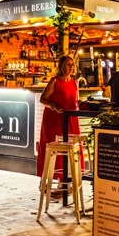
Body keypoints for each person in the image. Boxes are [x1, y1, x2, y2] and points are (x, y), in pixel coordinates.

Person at [37, 55, 82, 197]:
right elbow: (43, 98)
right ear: (62, 66)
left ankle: (65, 183)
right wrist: (53, 106)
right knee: (57, 149)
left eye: (72, 64)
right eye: (68, 64)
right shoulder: (55, 81)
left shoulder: (74, 82)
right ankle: (49, 181)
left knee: (71, 148)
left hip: (71, 119)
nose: (71, 67)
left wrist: (81, 104)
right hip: (55, 119)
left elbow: (75, 100)